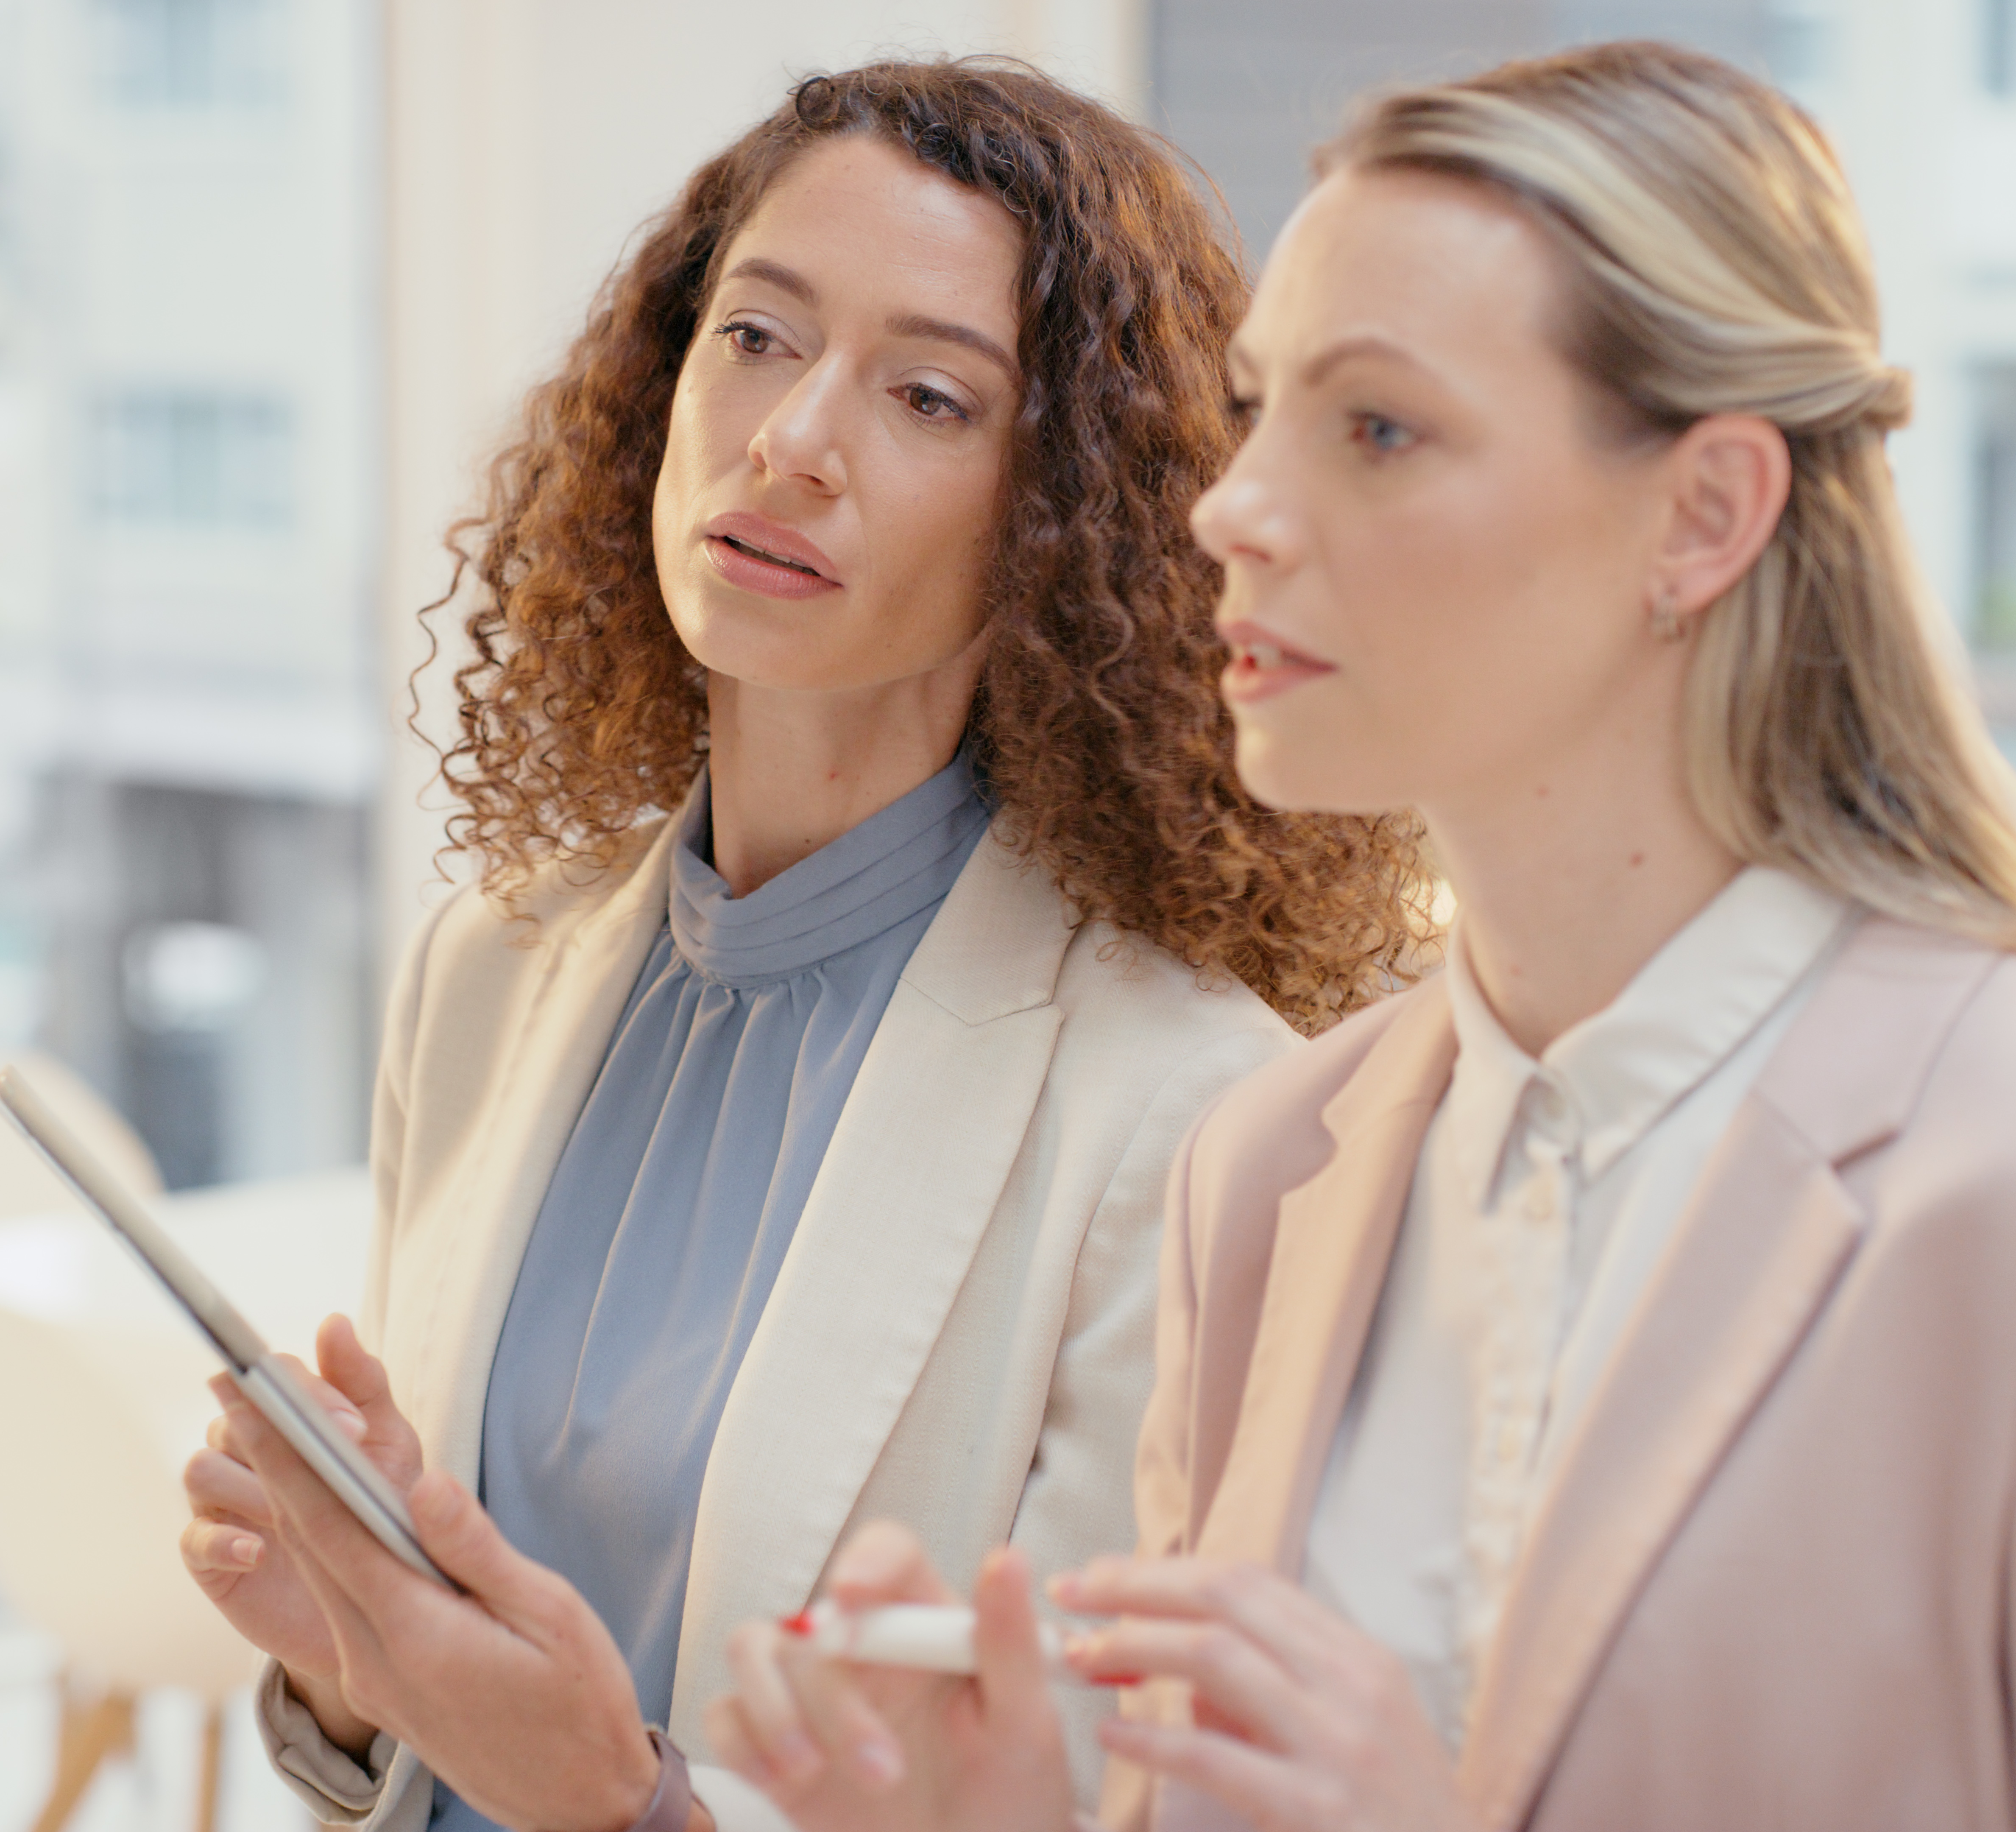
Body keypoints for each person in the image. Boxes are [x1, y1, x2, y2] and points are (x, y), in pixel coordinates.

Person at [708, 40, 2016, 1832]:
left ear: (1703, 516)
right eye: (1254, 410)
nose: (1231, 509)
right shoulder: (1266, 1179)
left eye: (1373, 429)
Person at [179, 58, 1434, 1832]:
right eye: (756, 340)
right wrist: (348, 1667)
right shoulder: (490, 971)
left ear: (1061, 515)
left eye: (925, 396)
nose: (791, 439)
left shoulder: (1187, 1112)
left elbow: (1086, 1804)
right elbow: (442, 1749)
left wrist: (623, 1803)